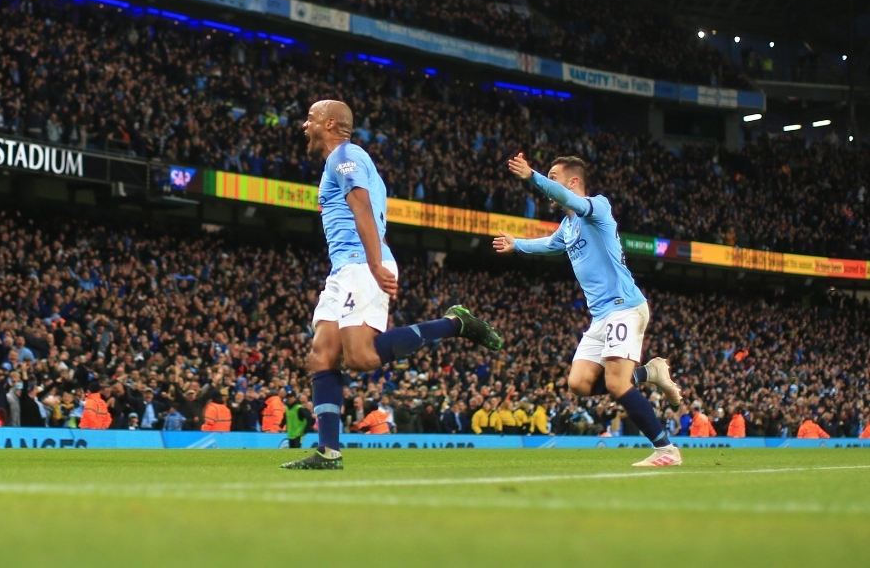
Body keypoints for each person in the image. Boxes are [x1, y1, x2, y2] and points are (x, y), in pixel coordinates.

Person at [283, 100, 501, 470]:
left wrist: (371, 261)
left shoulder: (345, 155)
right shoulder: (338, 160)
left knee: (361, 357)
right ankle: (328, 452)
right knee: (321, 354)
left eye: (311, 119)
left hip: (362, 263)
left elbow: (362, 207)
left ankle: (455, 324)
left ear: (331, 123)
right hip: (341, 269)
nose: (305, 125)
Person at [495, 153, 683, 467]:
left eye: (553, 177)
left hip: (625, 307)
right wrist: (518, 244)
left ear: (573, 182)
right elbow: (549, 245)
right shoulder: (568, 226)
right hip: (601, 317)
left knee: (615, 383)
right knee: (578, 384)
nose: (549, 184)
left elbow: (567, 199)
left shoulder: (597, 207)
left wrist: (532, 176)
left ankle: (666, 450)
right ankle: (650, 372)